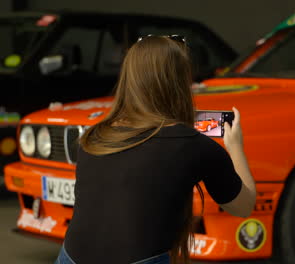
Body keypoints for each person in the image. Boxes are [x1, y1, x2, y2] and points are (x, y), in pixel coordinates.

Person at [55, 35, 256, 264]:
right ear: (180, 82)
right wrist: (236, 146)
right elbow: (243, 206)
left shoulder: (95, 136)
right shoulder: (193, 144)